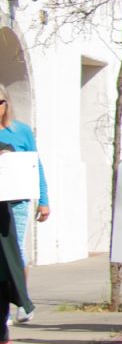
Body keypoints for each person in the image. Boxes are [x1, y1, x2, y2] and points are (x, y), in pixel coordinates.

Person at [0, 83, 49, 321]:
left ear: (7, 104)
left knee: (15, 250)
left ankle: (20, 300)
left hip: (17, 201)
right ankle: (3, 308)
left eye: (0, 102)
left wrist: (44, 200)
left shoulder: (21, 131)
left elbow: (35, 165)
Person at [0, 143, 35, 344]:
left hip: (0, 223)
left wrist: (8, 160)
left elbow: (19, 178)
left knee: (2, 277)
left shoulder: (4, 148)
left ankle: (1, 333)